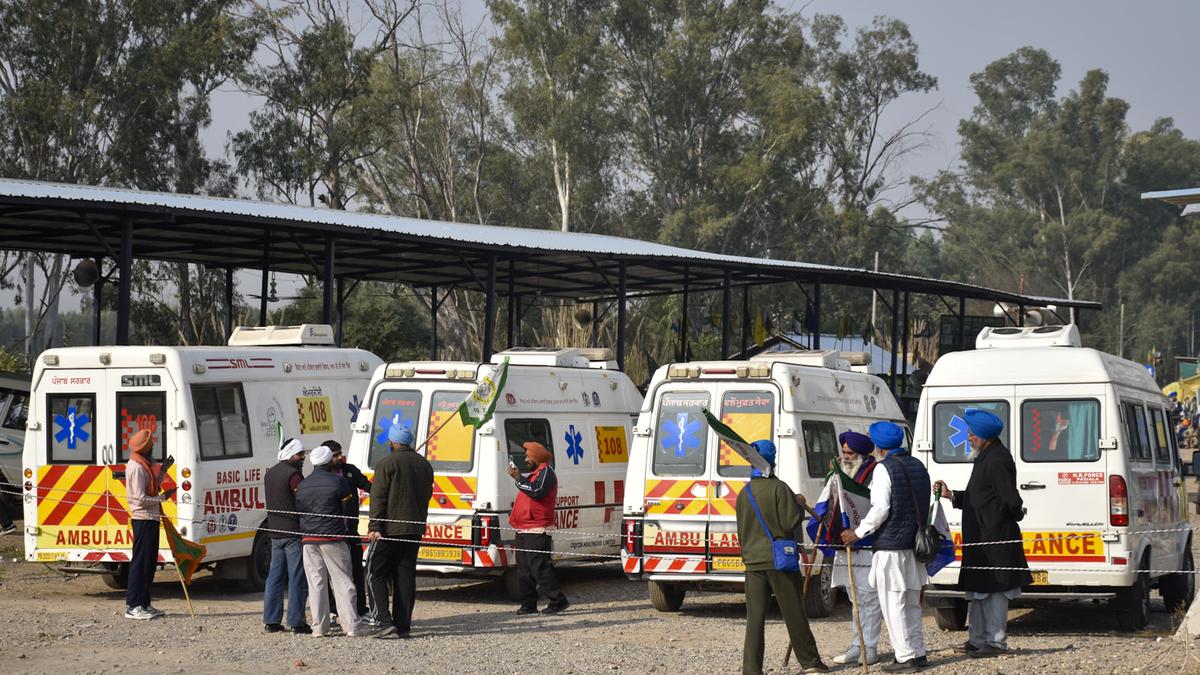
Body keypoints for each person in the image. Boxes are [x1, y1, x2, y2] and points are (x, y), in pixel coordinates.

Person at [934, 408, 1031, 659]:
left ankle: (996, 643)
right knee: (976, 591)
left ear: (984, 436)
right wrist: (952, 495)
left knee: (995, 592)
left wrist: (1014, 514)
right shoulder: (985, 455)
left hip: (994, 538)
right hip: (980, 539)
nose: (968, 437)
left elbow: (1010, 499)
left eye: (971, 434)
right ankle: (977, 640)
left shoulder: (998, 458)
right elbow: (981, 497)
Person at [841, 421, 929, 673]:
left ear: (879, 447)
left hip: (891, 546)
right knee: (912, 602)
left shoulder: (883, 469)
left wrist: (856, 533)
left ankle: (905, 657)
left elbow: (880, 509)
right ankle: (918, 652)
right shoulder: (918, 466)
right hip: (914, 545)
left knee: (893, 604)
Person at [737, 439, 828, 675]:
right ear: (773, 461)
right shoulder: (779, 488)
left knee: (754, 619)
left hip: (753, 562)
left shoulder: (743, 492)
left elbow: (742, 529)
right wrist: (798, 505)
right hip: (780, 561)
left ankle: (751, 669)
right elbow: (789, 522)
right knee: (794, 613)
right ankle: (810, 663)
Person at [296, 445, 388, 638]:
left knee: (316, 584)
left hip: (308, 539)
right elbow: (348, 509)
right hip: (334, 537)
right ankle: (351, 626)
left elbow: (299, 511)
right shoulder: (337, 482)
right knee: (343, 581)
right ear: (329, 461)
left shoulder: (303, 484)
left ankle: (318, 628)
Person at [365, 425, 433, 637]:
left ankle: (382, 621)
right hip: (413, 529)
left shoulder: (386, 463)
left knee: (374, 572)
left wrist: (374, 526)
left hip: (387, 530)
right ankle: (403, 626)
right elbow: (426, 495)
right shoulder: (424, 464)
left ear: (393, 442)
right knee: (405, 577)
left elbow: (378, 497)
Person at [830, 430, 882, 666]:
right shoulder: (845, 472)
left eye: (849, 453)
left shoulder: (873, 474)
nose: (845, 457)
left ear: (861, 454)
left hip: (866, 545)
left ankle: (868, 647)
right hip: (847, 544)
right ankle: (856, 644)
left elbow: (874, 508)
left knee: (868, 598)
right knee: (854, 597)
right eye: (843, 452)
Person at [507, 441, 569, 616]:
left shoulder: (547, 473)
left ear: (536, 457)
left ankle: (558, 600)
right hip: (523, 527)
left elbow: (537, 491)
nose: (526, 459)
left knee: (539, 567)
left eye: (528, 456)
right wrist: (521, 479)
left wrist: (518, 478)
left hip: (538, 528)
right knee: (524, 569)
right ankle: (528, 604)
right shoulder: (535, 474)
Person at [124, 429, 173, 620]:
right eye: (151, 446)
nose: (153, 448)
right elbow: (140, 499)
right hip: (143, 519)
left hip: (151, 519)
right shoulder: (135, 467)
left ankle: (145, 603)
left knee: (149, 564)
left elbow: (151, 487)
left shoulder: (144, 465)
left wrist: (163, 471)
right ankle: (133, 605)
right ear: (145, 448)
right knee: (140, 564)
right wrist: (163, 498)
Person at [263, 438, 310, 634]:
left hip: (274, 531)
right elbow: (302, 500)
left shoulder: (270, 473)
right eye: (300, 455)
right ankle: (296, 622)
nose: (303, 459)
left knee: (274, 577)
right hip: (292, 532)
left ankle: (271, 621)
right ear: (292, 454)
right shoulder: (294, 475)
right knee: (297, 577)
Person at [327, 439, 371, 615]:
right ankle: (332, 610)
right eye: (335, 455)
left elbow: (369, 486)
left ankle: (361, 608)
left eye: (340, 454)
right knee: (330, 573)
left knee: (357, 572)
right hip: (331, 533)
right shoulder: (322, 476)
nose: (339, 458)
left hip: (350, 531)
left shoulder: (349, 471)